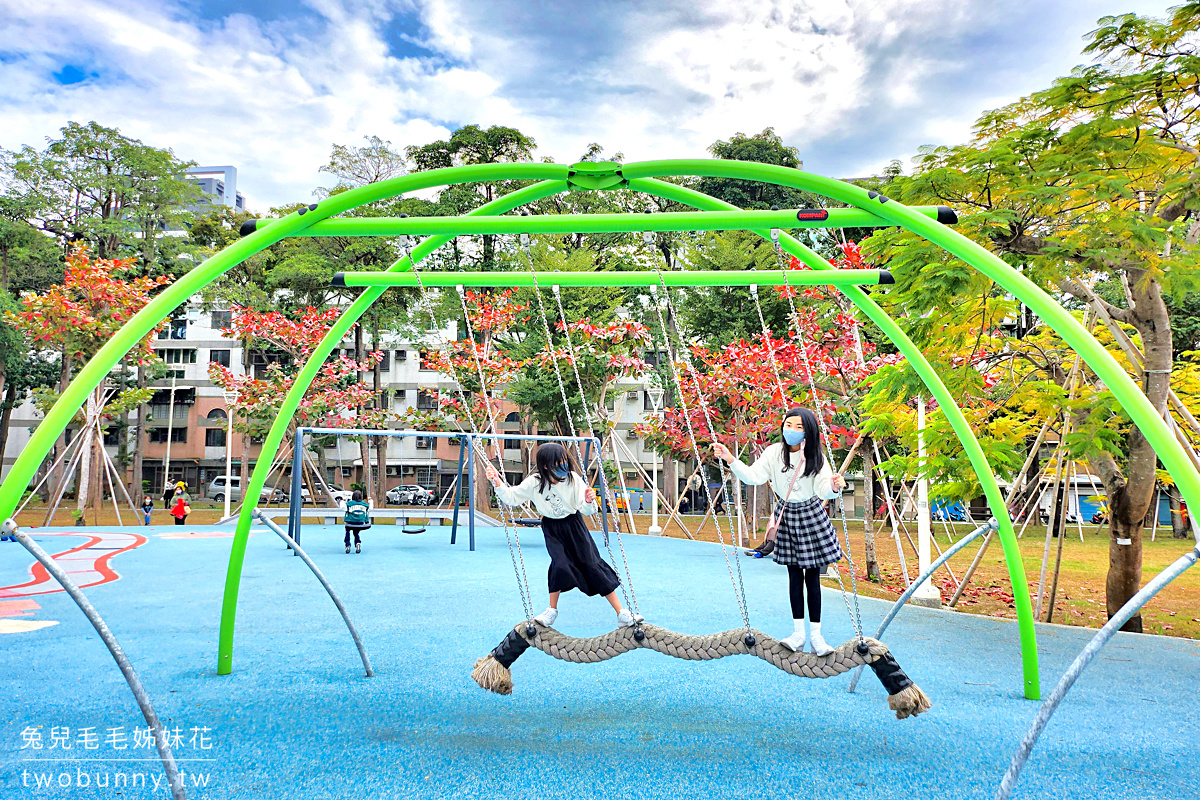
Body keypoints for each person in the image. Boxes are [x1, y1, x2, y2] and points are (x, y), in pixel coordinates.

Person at [713, 407, 846, 655]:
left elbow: (822, 490)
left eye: (798, 427)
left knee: (813, 578)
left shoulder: (816, 457)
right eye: (788, 425)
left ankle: (817, 636)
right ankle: (798, 634)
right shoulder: (774, 453)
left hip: (811, 514)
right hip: (786, 515)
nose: (791, 431)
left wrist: (834, 487)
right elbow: (753, 477)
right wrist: (731, 459)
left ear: (808, 431)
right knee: (794, 576)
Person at [485, 443, 643, 630]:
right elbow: (512, 497)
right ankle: (552, 610)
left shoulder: (573, 479)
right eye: (558, 462)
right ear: (546, 466)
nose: (563, 466)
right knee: (559, 564)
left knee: (592, 563)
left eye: (564, 461)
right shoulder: (535, 482)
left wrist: (589, 500)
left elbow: (585, 510)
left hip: (574, 525)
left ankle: (621, 613)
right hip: (552, 528)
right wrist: (497, 482)